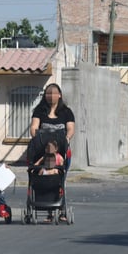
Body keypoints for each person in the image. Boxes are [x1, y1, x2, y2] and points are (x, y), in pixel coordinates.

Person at [30, 83, 75, 223]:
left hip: (60, 153)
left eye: (54, 93)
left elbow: (71, 129)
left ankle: (61, 210)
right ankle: (48, 211)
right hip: (43, 152)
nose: (51, 96)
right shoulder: (39, 111)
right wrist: (37, 137)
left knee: (59, 180)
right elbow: (34, 128)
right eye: (48, 93)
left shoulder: (66, 112)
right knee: (45, 179)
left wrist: (66, 139)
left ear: (59, 95)